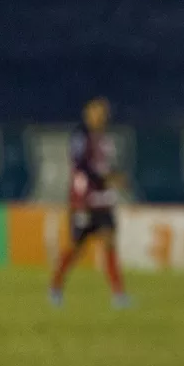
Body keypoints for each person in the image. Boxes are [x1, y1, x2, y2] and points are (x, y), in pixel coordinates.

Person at [49, 97, 129, 308]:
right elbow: (81, 166)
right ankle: (55, 287)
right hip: (84, 202)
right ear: (87, 114)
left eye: (103, 112)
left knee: (109, 242)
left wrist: (115, 177)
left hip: (103, 200)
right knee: (76, 247)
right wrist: (105, 179)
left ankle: (119, 295)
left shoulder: (105, 138)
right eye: (96, 112)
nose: (100, 116)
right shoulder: (80, 137)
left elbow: (103, 166)